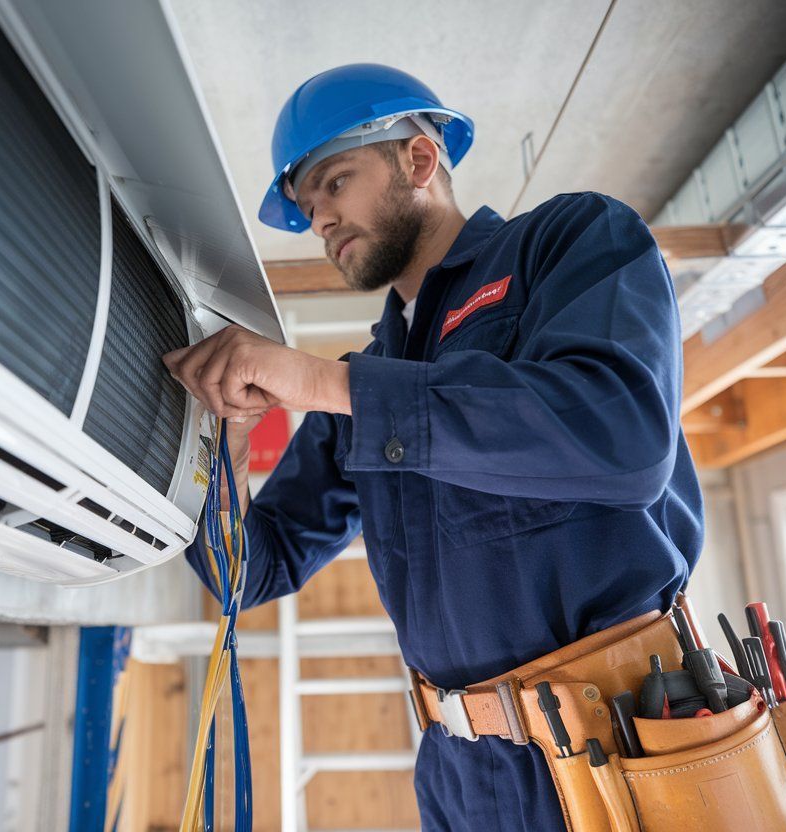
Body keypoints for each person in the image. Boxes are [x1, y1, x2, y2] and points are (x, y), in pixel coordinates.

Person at [162, 63, 704, 832]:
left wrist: (326, 384)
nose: (320, 220)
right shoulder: (360, 385)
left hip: (618, 745)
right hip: (460, 772)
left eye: (335, 183)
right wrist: (226, 448)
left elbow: (620, 437)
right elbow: (248, 572)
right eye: (308, 207)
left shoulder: (568, 240)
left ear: (417, 159)